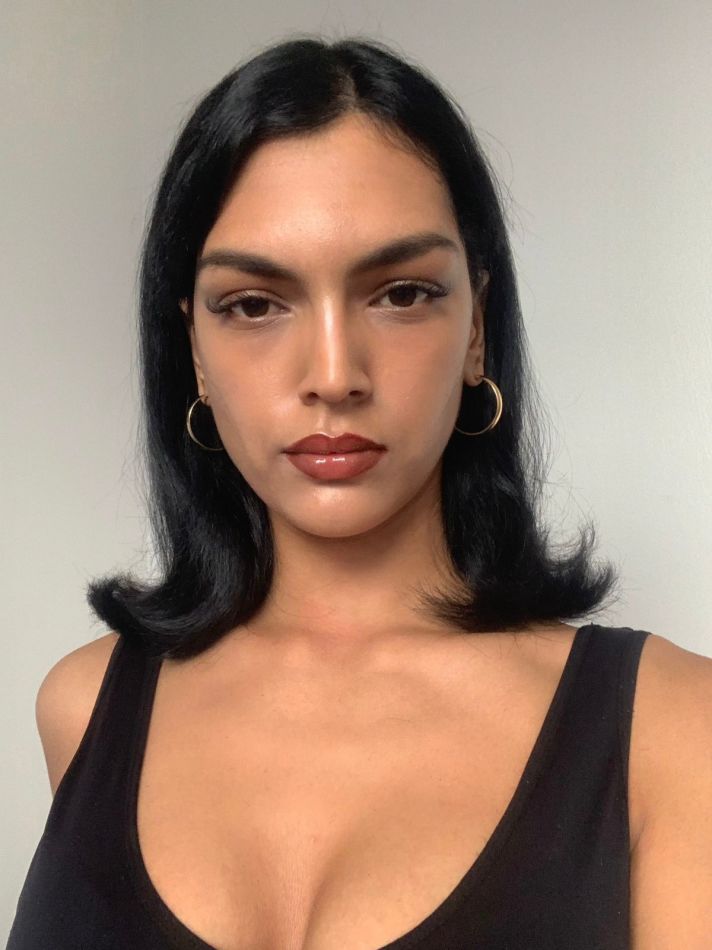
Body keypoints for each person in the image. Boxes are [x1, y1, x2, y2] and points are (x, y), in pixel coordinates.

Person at [7, 34, 712, 950]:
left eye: (401, 293)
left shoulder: (673, 733)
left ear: (477, 329)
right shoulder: (82, 707)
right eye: (254, 304)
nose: (334, 374)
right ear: (194, 351)